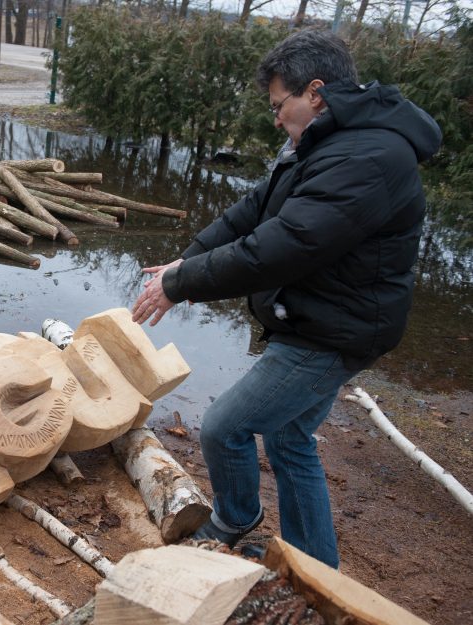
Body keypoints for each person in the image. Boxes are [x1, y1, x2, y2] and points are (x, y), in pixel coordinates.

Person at [131, 29, 442, 568]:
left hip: (335, 328)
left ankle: (234, 518)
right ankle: (313, 564)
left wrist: (182, 286)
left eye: (280, 106)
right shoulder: (324, 137)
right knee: (288, 436)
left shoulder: (369, 156)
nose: (276, 119)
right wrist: (189, 260)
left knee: (227, 425)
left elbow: (281, 247)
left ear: (315, 92)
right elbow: (255, 210)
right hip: (318, 313)